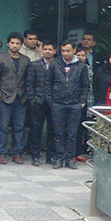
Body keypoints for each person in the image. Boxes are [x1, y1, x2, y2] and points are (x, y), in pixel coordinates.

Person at [46, 41, 90, 170]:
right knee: (58, 133)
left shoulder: (81, 66)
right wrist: (50, 100)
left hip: (74, 104)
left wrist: (81, 101)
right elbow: (48, 83)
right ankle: (59, 157)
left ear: (74, 50)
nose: (65, 53)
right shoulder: (55, 64)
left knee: (72, 133)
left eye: (68, 51)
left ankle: (70, 158)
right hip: (58, 103)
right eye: (63, 51)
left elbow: (85, 86)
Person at [0, 32, 31, 164]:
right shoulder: (0, 58)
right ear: (8, 44)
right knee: (3, 127)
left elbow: (27, 80)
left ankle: (17, 153)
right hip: (5, 97)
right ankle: (1, 153)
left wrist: (26, 95)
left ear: (21, 45)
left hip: (21, 98)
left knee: (19, 127)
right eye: (12, 43)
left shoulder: (26, 60)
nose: (15, 45)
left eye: (18, 43)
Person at [25, 41, 57, 166]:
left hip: (54, 102)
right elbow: (29, 84)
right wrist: (32, 99)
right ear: (42, 50)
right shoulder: (34, 65)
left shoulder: (58, 65)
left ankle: (50, 156)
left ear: (54, 51)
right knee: (35, 129)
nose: (47, 51)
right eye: (45, 49)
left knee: (53, 130)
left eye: (50, 49)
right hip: (38, 101)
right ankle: (35, 156)